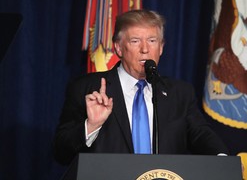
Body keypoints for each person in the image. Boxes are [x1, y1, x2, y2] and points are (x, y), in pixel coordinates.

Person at [53, 9, 229, 165]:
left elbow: (201, 134)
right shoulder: (87, 88)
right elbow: (61, 153)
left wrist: (223, 160)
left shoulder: (180, 93)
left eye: (152, 40)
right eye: (135, 41)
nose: (145, 49)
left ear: (161, 47)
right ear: (119, 48)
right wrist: (91, 126)